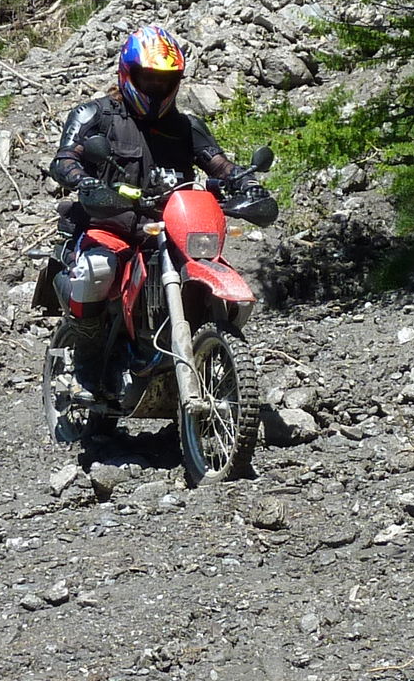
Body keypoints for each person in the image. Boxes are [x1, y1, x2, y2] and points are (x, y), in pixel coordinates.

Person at [48, 25, 275, 402]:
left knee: (212, 268)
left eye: (164, 80)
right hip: (111, 225)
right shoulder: (95, 115)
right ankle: (86, 367)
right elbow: (64, 160)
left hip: (172, 228)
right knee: (97, 271)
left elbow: (219, 165)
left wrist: (246, 183)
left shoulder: (186, 127)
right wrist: (85, 181)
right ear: (128, 74)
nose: (155, 87)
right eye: (148, 78)